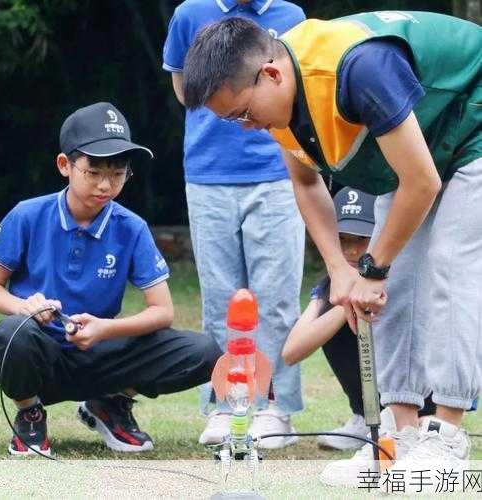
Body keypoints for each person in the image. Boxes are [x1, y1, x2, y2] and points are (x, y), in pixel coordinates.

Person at [181, 11, 481, 490]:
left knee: (447, 264)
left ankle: (446, 436)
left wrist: (373, 268)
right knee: (397, 283)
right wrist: (341, 270)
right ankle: (399, 441)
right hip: (419, 147)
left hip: (473, 123)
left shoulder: (360, 69)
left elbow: (421, 182)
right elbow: (305, 181)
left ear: (272, 75)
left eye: (241, 114)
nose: (244, 127)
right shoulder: (278, 100)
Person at [0, 102, 221, 456]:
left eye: (118, 172)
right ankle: (30, 413)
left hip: (100, 352)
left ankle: (109, 404)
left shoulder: (132, 228)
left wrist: (104, 329)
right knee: (9, 335)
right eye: (93, 172)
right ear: (65, 165)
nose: (106, 184)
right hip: (39, 355)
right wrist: (24, 307)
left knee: (206, 353)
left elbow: (162, 312)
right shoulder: (28, 214)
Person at [162, 0, 306, 449]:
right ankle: (227, 405)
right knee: (220, 297)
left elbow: (298, 94)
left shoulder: (291, 16)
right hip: (207, 174)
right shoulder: (190, 13)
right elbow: (186, 91)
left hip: (280, 173)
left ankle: (277, 409)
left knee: (277, 296)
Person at [282, 187, 437, 451]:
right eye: (342, 240)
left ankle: (420, 421)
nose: (352, 251)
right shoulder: (333, 285)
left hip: (422, 400)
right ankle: (365, 418)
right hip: (368, 399)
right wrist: (347, 306)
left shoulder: (411, 276)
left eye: (361, 239)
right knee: (330, 316)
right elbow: (290, 352)